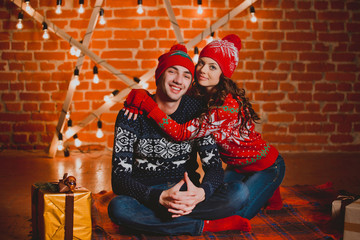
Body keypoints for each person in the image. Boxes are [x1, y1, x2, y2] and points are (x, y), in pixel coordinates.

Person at [124, 34, 286, 220]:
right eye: (201, 62)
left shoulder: (227, 107)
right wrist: (140, 97)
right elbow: (167, 96)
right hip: (235, 166)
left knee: (236, 215)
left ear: (222, 74)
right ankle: (268, 192)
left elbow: (181, 133)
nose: (202, 70)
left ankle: (269, 187)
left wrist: (146, 104)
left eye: (212, 67)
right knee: (214, 202)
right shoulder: (197, 92)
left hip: (266, 166)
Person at [108, 44, 251, 236]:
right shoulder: (131, 115)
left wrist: (202, 193)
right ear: (160, 75)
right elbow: (120, 179)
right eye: (172, 71)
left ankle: (149, 222)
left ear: (191, 81)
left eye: (186, 75)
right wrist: (159, 197)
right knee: (118, 208)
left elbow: (214, 167)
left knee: (239, 193)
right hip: (148, 195)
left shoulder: (198, 110)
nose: (178, 80)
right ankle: (202, 225)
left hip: (188, 193)